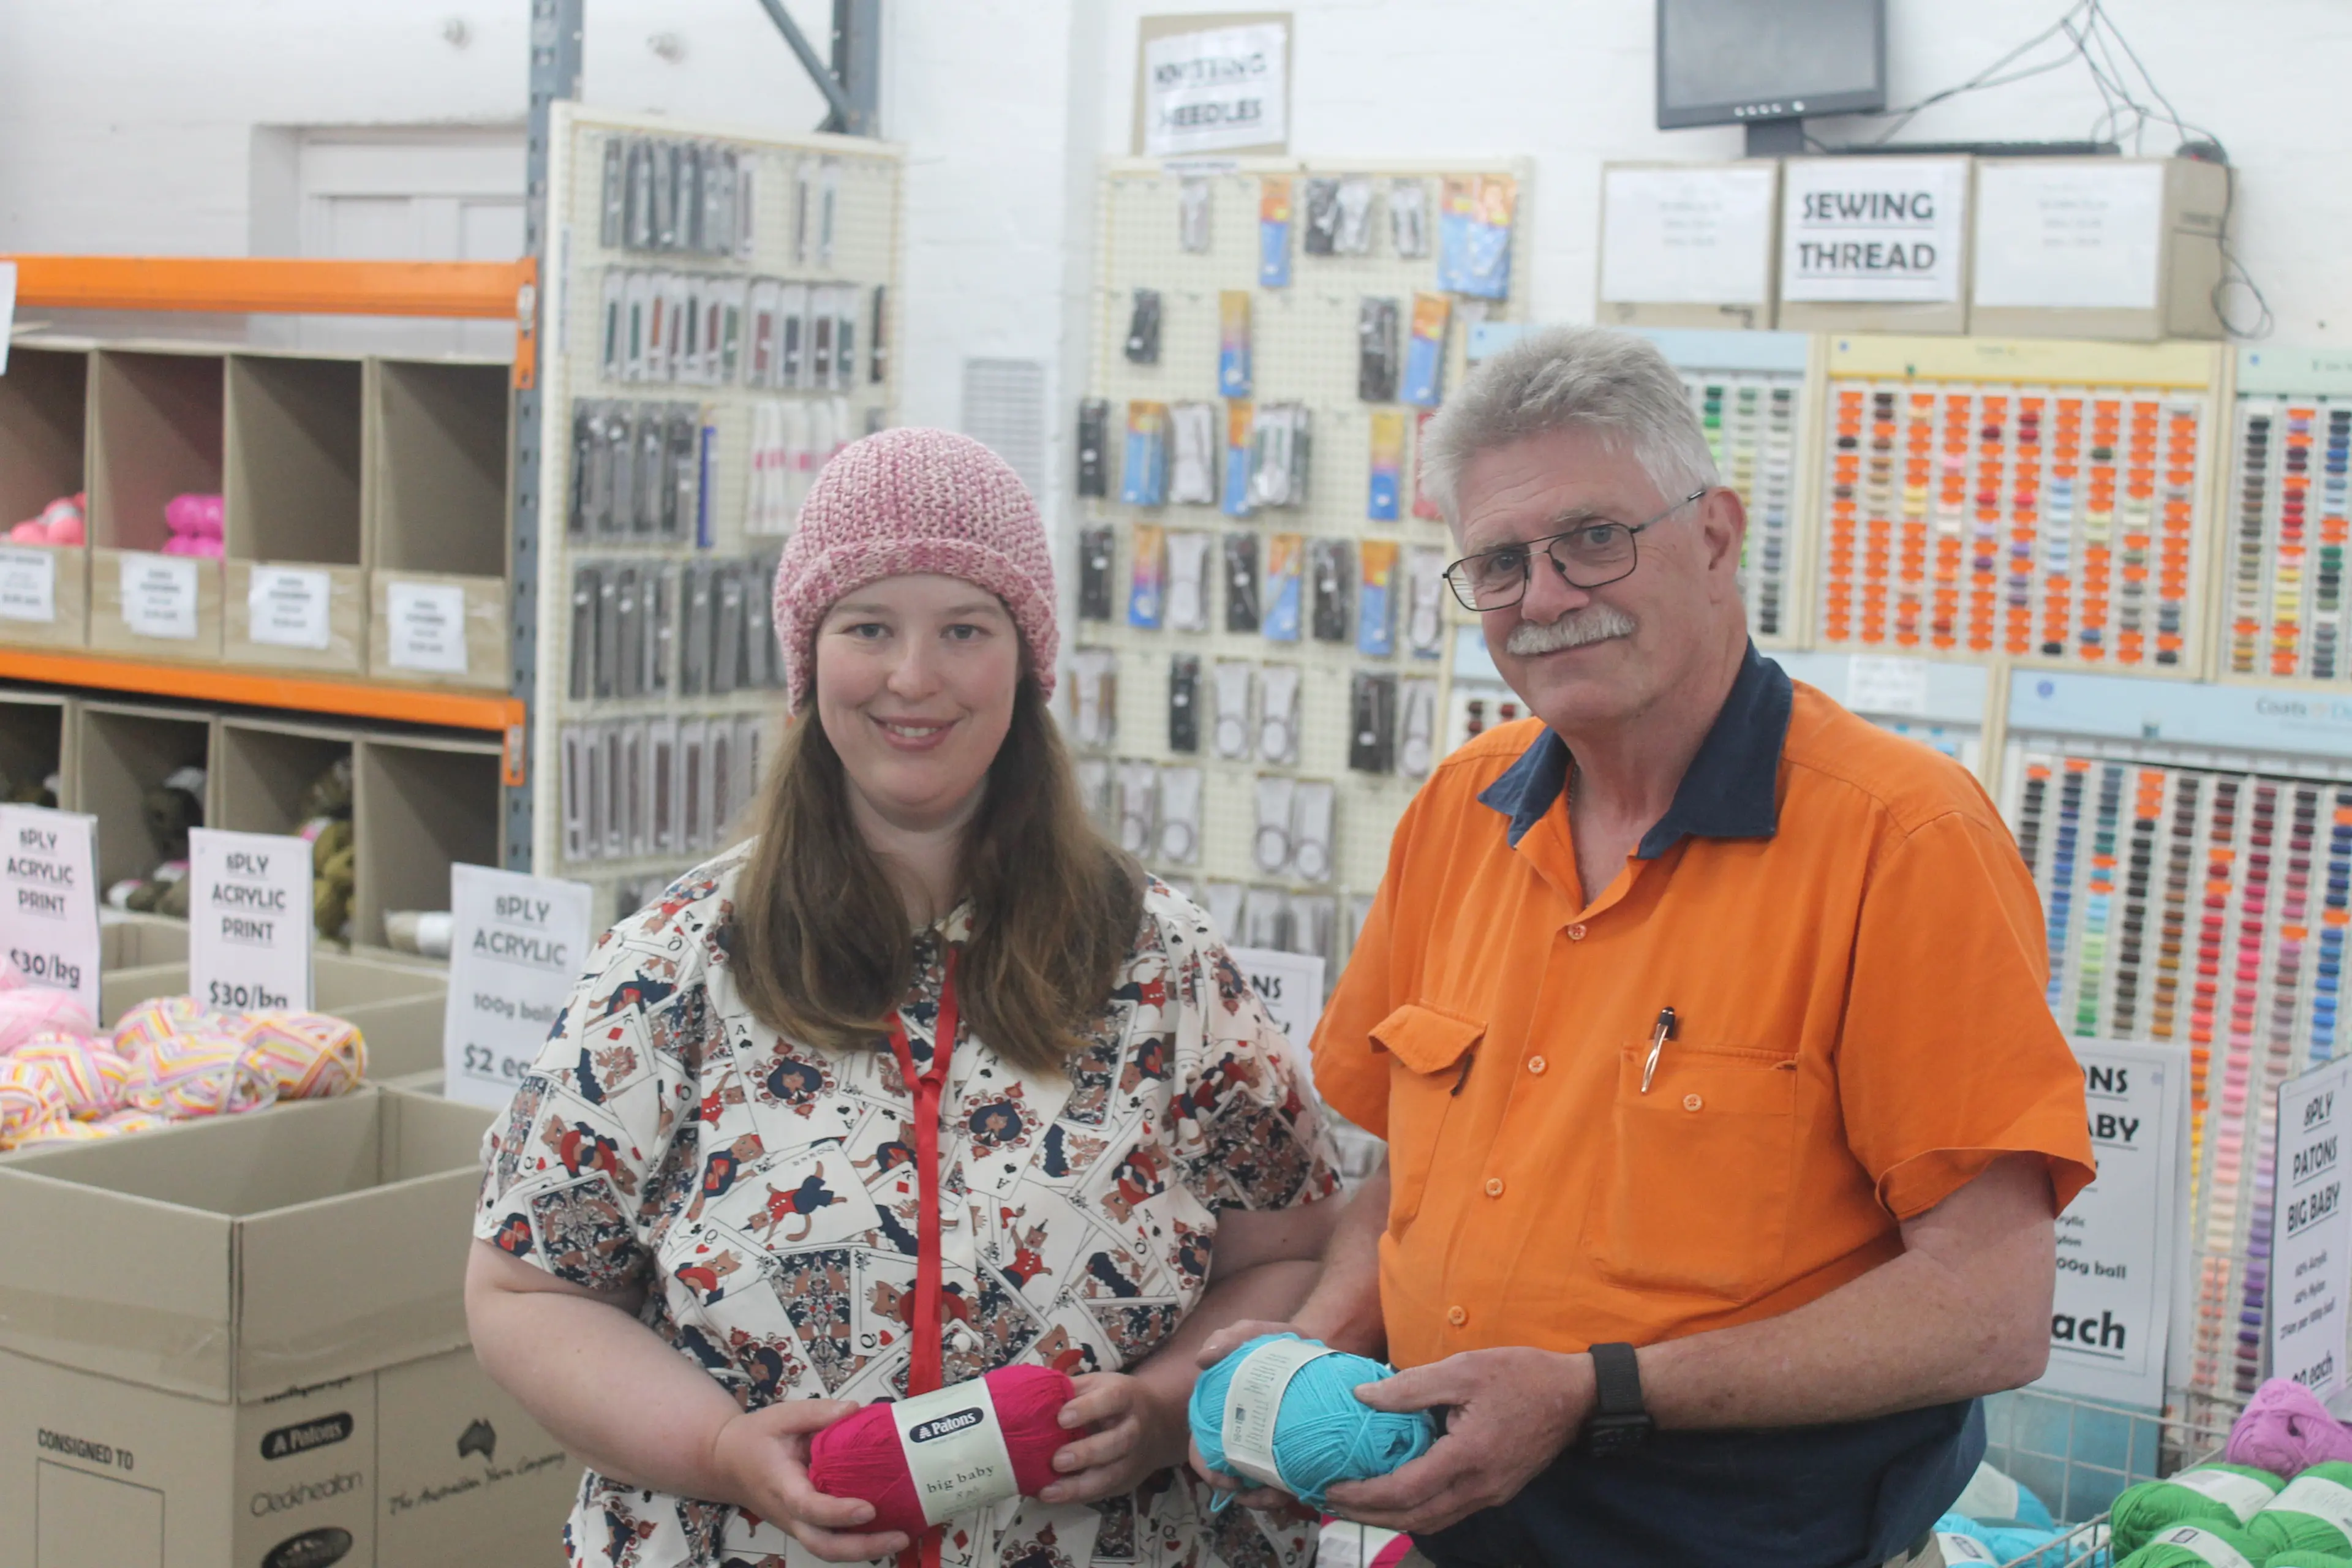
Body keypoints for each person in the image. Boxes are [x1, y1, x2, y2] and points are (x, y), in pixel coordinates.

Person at [1192, 328, 2096, 1568]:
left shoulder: (1901, 837)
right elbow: (1407, 1183)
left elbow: (1987, 1312)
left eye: (1593, 539)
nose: (1547, 595)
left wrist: (1598, 1391)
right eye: (1500, 562)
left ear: (1716, 534)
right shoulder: (1461, 808)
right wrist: (1310, 1350)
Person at [469, 428, 1343, 1568]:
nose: (914, 677)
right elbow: (529, 1295)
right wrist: (726, 1450)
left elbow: (1291, 1252)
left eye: (965, 631)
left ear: (1027, 667)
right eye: (868, 627)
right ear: (808, 656)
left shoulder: (1161, 964)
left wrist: (1173, 1405)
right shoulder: (673, 964)